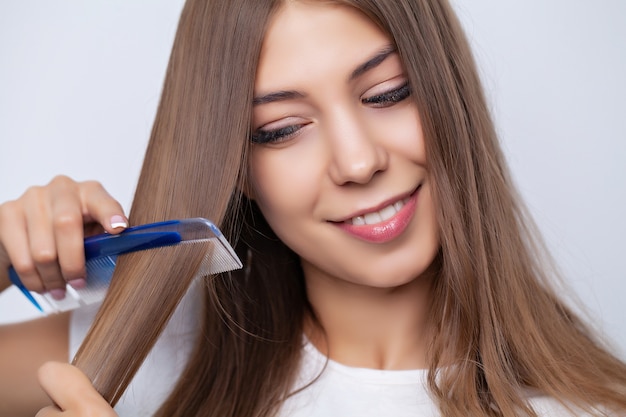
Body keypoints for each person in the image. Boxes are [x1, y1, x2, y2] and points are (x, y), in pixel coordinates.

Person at [1, 0, 625, 416]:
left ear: (448, 94)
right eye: (281, 129)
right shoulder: (145, 346)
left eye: (389, 93)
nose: (358, 163)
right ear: (236, 168)